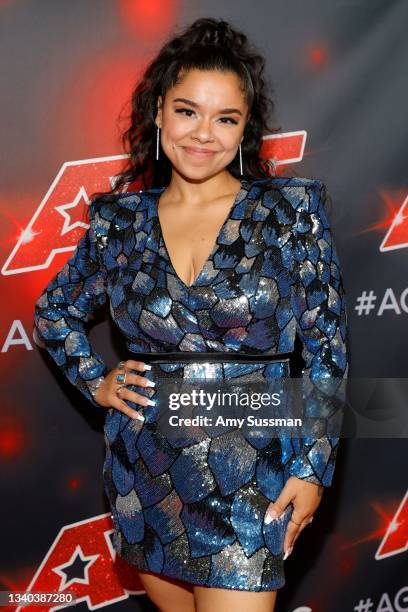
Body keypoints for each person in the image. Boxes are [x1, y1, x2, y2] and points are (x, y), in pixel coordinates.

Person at [33, 16, 349, 612]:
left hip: (255, 473)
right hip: (146, 469)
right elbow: (54, 311)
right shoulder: (117, 222)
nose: (203, 134)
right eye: (187, 111)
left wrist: (313, 470)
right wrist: (94, 380)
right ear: (158, 113)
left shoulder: (289, 211)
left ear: (243, 129)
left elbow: (327, 348)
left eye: (224, 118)